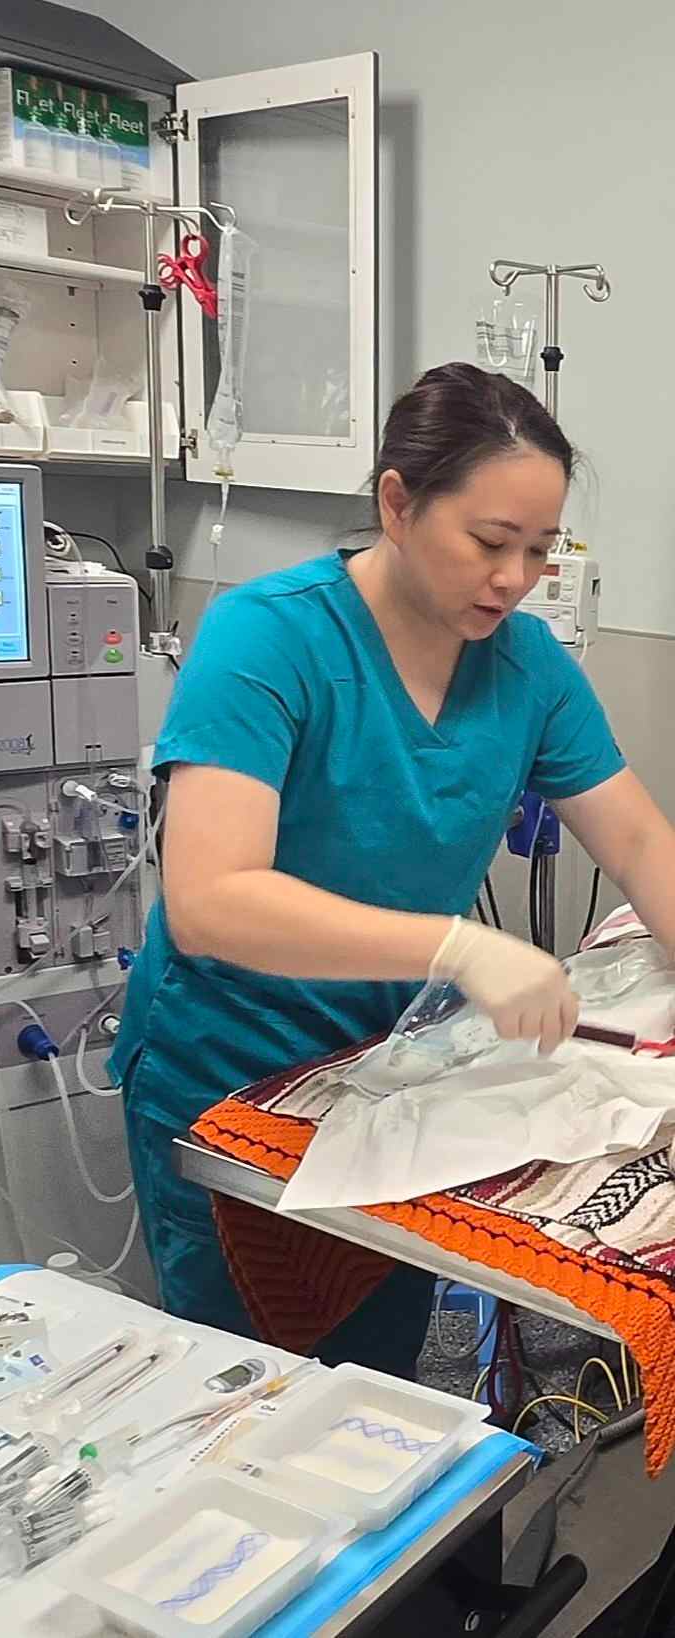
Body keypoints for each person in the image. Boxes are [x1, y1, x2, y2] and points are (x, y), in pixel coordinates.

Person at [110, 361, 675, 1375]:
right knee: (246, 1390)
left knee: (374, 1386)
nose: (512, 579)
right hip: (231, 1081)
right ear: (396, 503)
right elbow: (208, 900)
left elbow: (636, 842)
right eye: (489, 543)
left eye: (539, 552)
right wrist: (457, 947)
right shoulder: (269, 638)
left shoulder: (527, 666)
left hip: (389, 1077)